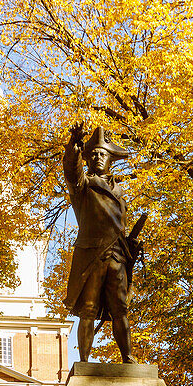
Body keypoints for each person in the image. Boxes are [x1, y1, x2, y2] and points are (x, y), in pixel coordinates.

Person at [62, 123, 142, 363]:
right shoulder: (83, 185)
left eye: (102, 154)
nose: (97, 157)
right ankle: (84, 362)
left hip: (117, 256)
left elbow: (118, 227)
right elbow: (71, 171)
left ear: (110, 159)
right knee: (88, 309)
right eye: (93, 153)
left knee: (120, 309)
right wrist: (74, 146)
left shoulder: (119, 192)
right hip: (93, 255)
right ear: (87, 158)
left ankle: (127, 357)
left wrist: (131, 243)